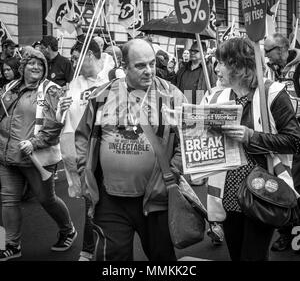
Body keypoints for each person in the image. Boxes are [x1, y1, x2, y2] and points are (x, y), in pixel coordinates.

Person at [75, 38, 186, 261]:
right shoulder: (101, 96)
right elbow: (82, 137)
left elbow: (189, 139)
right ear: (124, 67)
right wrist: (83, 174)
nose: (149, 71)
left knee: (162, 258)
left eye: (152, 64)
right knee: (112, 259)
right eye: (140, 65)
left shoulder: (171, 95)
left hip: (156, 199)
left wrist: (172, 173)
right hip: (110, 199)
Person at [206, 37, 300, 261]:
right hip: (228, 192)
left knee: (253, 256)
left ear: (238, 66)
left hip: (262, 191)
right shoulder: (216, 96)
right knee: (237, 254)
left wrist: (251, 137)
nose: (216, 69)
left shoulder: (273, 93)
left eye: (221, 63)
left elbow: (293, 140)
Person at [0, 47, 77, 261]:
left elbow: (54, 125)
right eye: (31, 63)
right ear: (23, 67)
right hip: (7, 157)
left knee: (46, 199)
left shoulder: (52, 91)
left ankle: (68, 229)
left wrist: (34, 143)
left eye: (40, 64)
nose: (36, 67)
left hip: (36, 158)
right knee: (8, 200)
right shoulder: (9, 88)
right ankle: (11, 244)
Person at [58, 38, 109, 261]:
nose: (74, 63)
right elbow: (64, 123)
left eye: (77, 58)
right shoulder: (73, 85)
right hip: (86, 154)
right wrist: (61, 110)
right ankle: (88, 250)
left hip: (111, 150)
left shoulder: (113, 75)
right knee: (90, 202)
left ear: (89, 55)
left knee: (113, 204)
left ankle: (111, 248)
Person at [264, 33, 300, 252]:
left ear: (281, 49)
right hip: (278, 138)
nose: (266, 56)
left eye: (268, 51)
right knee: (281, 184)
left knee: (293, 187)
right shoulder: (272, 70)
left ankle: (292, 234)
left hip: (295, 139)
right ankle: (287, 231)